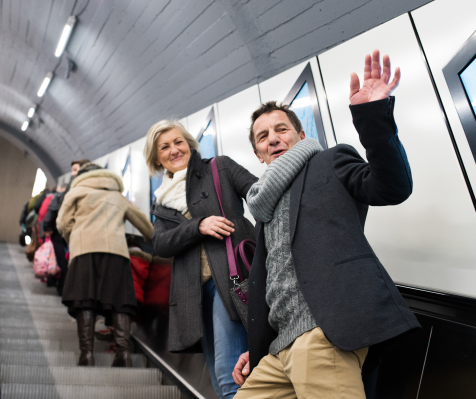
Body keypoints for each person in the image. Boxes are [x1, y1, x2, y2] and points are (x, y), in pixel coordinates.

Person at [232, 50, 421, 398]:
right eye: (262, 136)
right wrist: (257, 348)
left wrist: (373, 116)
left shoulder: (329, 162)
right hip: (278, 349)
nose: (273, 138)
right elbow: (275, 280)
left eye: (281, 129)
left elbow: (392, 186)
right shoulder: (263, 206)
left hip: (324, 333)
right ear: (259, 155)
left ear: (300, 136)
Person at [145, 120, 258, 399]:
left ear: (189, 144)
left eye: (178, 142)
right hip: (194, 294)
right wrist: (198, 226)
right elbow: (160, 244)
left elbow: (260, 195)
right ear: (156, 158)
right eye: (165, 147)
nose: (174, 150)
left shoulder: (218, 168)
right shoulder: (161, 202)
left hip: (231, 280)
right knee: (219, 379)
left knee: (228, 371)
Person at [57, 162, 153, 367]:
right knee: (121, 302)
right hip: (116, 253)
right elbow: (145, 225)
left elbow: (62, 223)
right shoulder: (117, 196)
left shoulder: (75, 192)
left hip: (83, 251)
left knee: (84, 301)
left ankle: (87, 355)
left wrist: (74, 238)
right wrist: (157, 242)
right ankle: (123, 355)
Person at [42, 159, 89, 294]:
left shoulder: (73, 191)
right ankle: (63, 288)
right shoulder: (69, 189)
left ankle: (64, 288)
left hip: (70, 233)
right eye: (72, 170)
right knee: (64, 260)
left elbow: (54, 210)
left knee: (65, 261)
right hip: (65, 233)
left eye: (75, 170)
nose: (72, 173)